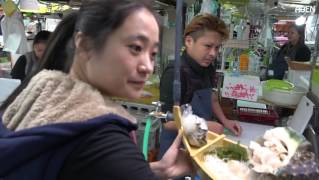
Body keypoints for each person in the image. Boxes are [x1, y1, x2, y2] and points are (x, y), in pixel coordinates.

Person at [0, 0, 193, 179]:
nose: (148, 67)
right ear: (84, 44)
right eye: (135, 48)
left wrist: (157, 169)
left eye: (152, 54)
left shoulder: (38, 91)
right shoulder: (104, 138)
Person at [159, 14, 242, 159]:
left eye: (217, 48)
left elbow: (212, 97)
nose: (213, 54)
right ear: (189, 41)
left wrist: (225, 121)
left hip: (200, 141)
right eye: (208, 46)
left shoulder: (207, 67)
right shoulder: (175, 73)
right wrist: (205, 125)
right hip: (176, 146)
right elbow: (167, 122)